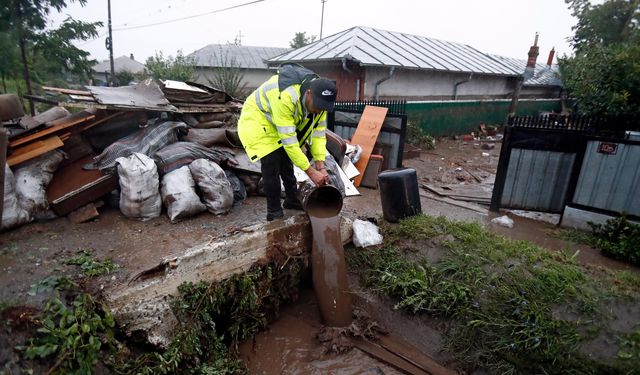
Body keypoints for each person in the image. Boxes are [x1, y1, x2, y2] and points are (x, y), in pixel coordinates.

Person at [237, 63, 337, 221]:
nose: (319, 110)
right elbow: (290, 142)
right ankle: (274, 211)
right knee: (272, 163)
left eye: (323, 108)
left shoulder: (320, 105)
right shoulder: (286, 96)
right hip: (258, 120)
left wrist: (321, 166)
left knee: (287, 161)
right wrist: (311, 172)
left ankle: (291, 199)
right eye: (317, 106)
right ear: (309, 94)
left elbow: (318, 136)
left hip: (279, 121)